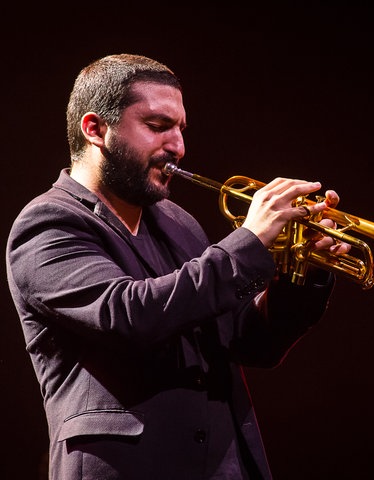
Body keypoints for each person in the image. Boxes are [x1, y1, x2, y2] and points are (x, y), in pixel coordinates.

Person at [6, 53, 349, 480]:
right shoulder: (48, 223)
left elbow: (248, 343)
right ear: (95, 129)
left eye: (181, 129)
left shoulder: (176, 221)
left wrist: (302, 275)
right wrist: (249, 242)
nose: (179, 147)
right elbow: (129, 315)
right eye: (157, 126)